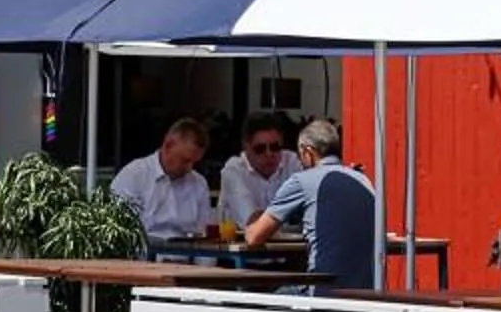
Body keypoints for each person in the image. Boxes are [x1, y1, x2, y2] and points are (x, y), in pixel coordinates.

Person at [242, 117, 380, 293]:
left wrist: (249, 229)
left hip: (324, 289)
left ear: (308, 152)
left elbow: (255, 237)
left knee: (269, 301)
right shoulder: (362, 179)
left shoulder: (302, 180)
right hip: (365, 290)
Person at [112, 117, 214, 243]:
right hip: (145, 258)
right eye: (185, 160)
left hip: (186, 258)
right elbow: (120, 231)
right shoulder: (134, 175)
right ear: (168, 145)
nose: (189, 168)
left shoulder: (199, 183)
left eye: (194, 162)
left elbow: (203, 236)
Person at [219, 114, 293, 228]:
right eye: (260, 149)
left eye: (275, 147)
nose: (269, 154)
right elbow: (253, 222)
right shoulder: (234, 170)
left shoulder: (291, 161)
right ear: (246, 147)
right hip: (241, 243)